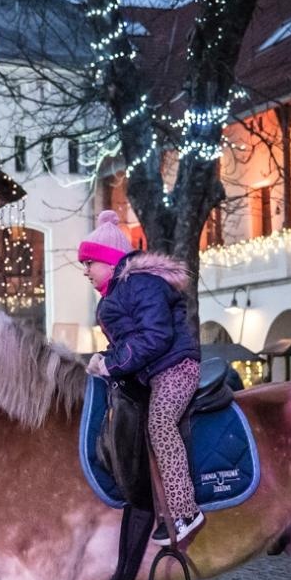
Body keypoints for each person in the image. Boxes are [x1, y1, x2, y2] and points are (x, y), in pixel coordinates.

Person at [77, 209, 203, 545]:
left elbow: (156, 335)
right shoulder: (119, 293)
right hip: (153, 372)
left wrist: (113, 363)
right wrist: (105, 359)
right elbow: (128, 342)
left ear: (110, 260)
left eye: (90, 262)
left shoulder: (141, 284)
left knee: (161, 423)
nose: (85, 270)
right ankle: (150, 507)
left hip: (175, 367)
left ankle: (185, 510)